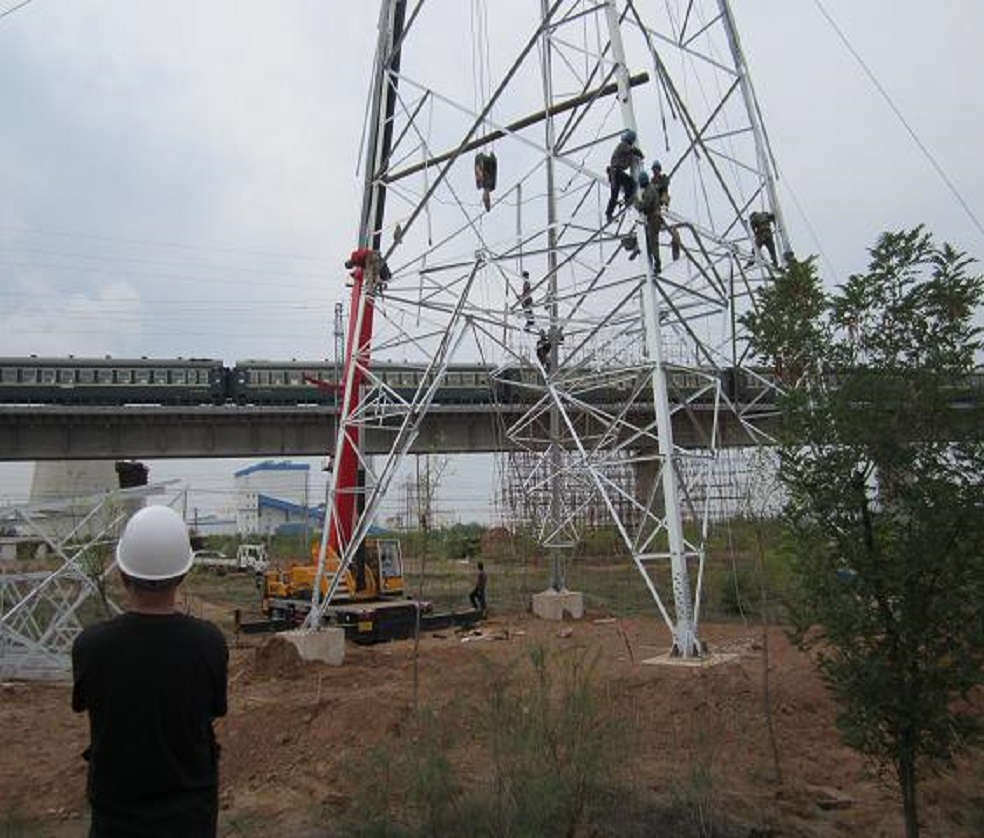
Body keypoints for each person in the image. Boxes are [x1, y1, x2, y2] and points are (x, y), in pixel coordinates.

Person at [72, 505, 229, 838]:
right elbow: (216, 710)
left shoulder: (91, 646)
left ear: (123, 574)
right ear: (183, 573)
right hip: (191, 821)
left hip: (115, 821)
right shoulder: (209, 643)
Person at [605, 129, 644, 222]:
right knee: (631, 183)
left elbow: (631, 155)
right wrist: (639, 154)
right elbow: (632, 150)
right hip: (616, 172)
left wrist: (637, 158)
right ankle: (627, 199)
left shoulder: (627, 151)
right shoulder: (622, 145)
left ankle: (609, 213)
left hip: (615, 173)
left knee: (615, 195)